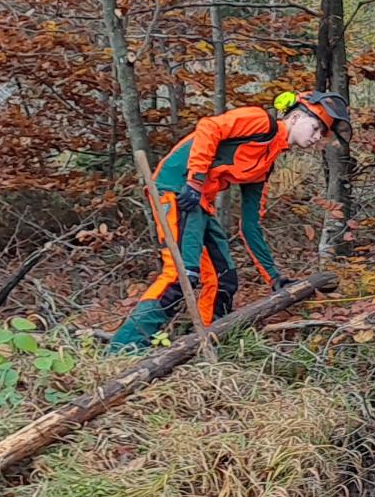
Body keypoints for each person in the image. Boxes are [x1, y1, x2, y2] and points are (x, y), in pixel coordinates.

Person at [109, 91, 347, 349]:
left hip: (198, 200)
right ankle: (123, 347)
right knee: (182, 275)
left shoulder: (265, 164)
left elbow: (250, 225)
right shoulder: (260, 121)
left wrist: (275, 278)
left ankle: (209, 344)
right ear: (297, 116)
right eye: (315, 128)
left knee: (223, 278)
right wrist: (195, 180)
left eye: (321, 134)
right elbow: (209, 127)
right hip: (176, 188)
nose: (316, 138)